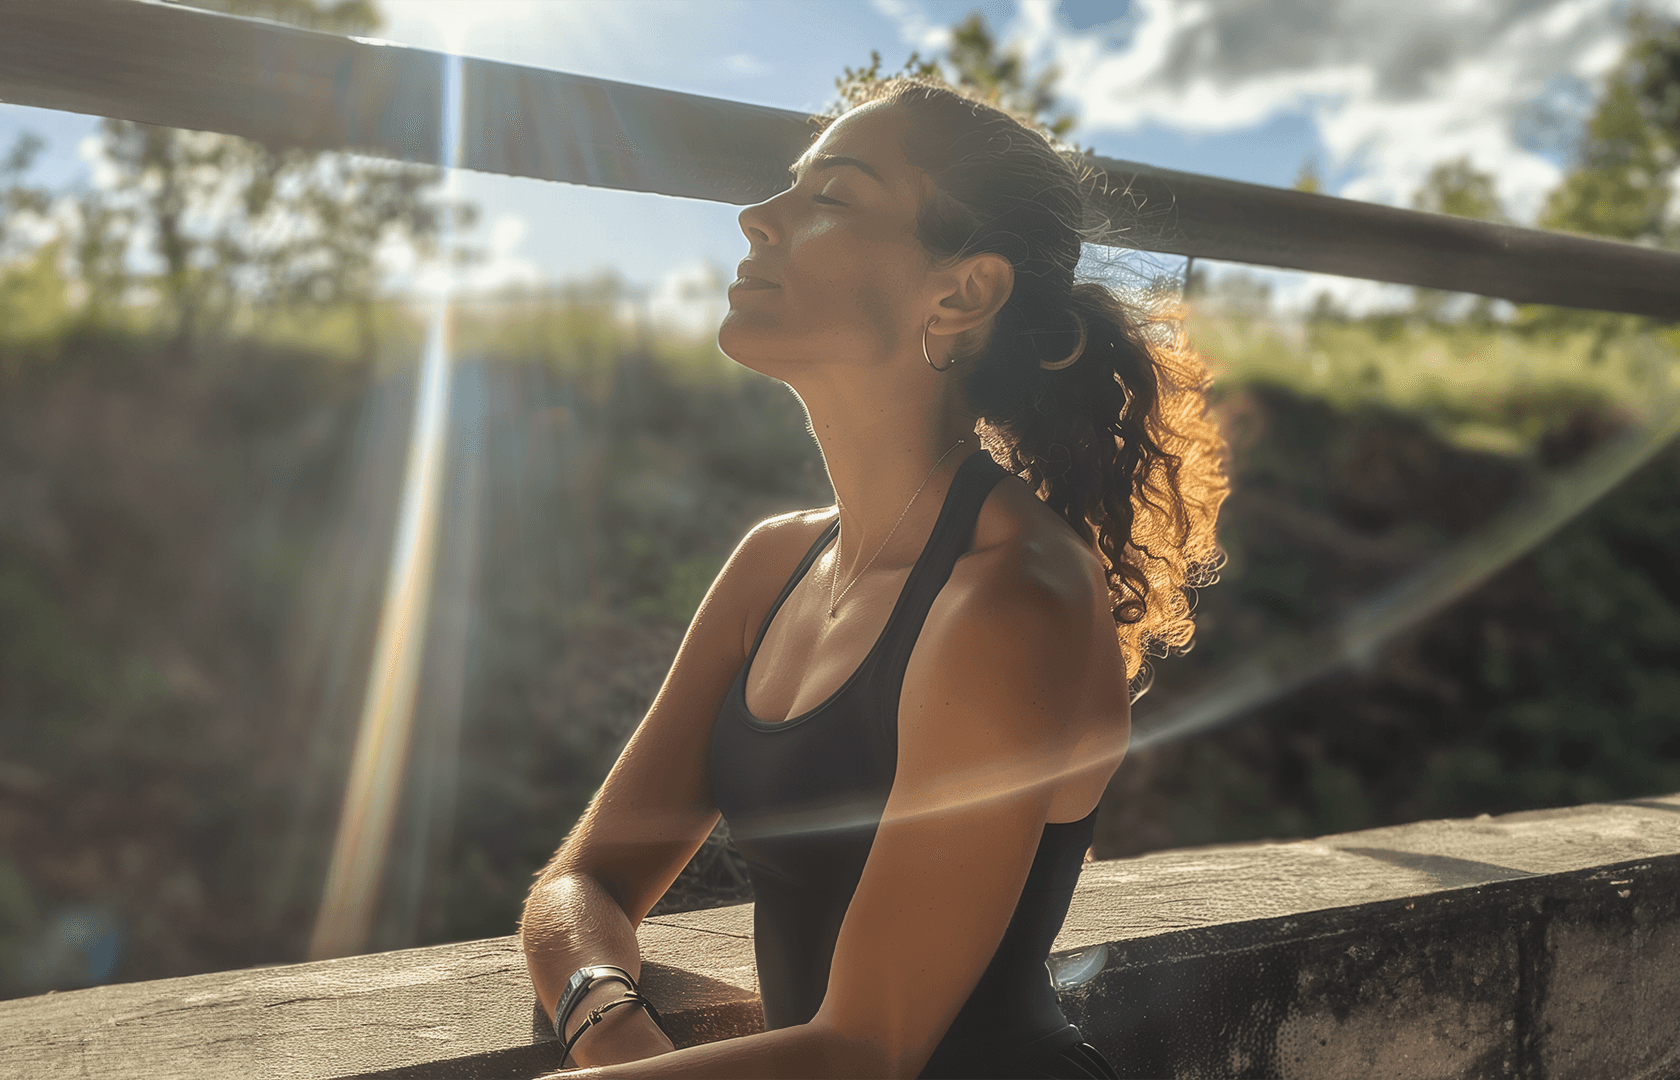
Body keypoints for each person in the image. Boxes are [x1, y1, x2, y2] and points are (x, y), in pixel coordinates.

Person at [520, 74, 1228, 1079]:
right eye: (788, 187)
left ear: (962, 291)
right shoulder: (776, 562)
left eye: (832, 197)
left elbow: (866, 1050)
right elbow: (581, 884)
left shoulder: (1012, 597)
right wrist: (609, 1023)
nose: (757, 217)